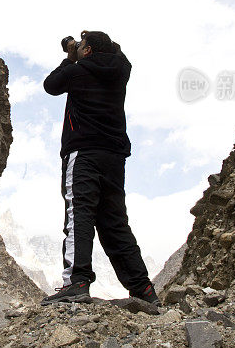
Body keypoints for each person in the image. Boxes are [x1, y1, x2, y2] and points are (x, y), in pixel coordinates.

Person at [40, 30, 160, 306]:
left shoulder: (77, 71)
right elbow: (119, 55)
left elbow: (51, 85)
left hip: (83, 153)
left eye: (82, 45)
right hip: (114, 158)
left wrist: (70, 58)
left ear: (89, 51)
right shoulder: (121, 71)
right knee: (114, 222)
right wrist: (91, 47)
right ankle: (143, 289)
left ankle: (77, 282)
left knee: (79, 213)